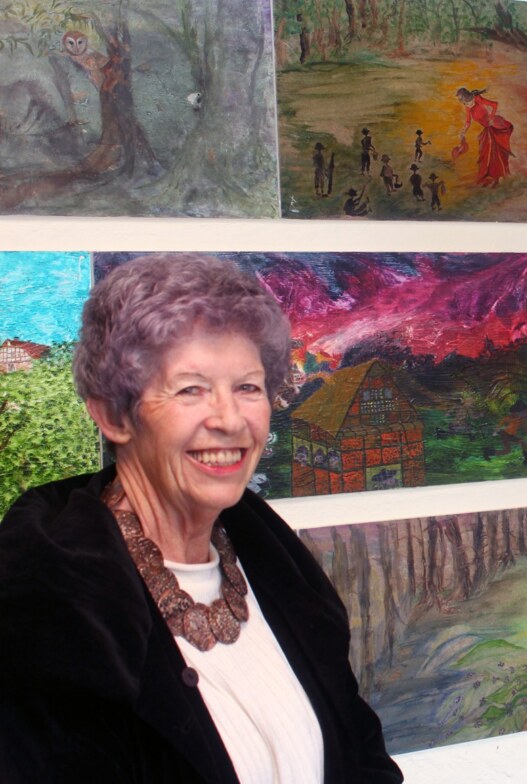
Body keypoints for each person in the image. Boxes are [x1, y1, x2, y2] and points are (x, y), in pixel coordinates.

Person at [0, 255, 404, 782]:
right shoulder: (47, 614)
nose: (230, 420)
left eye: (248, 387)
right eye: (191, 389)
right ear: (114, 415)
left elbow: (362, 755)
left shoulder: (278, 562)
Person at [455, 87, 514, 187]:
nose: (462, 102)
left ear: (465, 97)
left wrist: (491, 118)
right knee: (489, 154)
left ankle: (502, 176)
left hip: (495, 125)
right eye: (461, 100)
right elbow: (468, 122)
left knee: (497, 152)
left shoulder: (477, 99)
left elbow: (495, 105)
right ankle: (495, 178)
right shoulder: (468, 108)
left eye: (461, 99)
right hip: (488, 130)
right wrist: (463, 131)